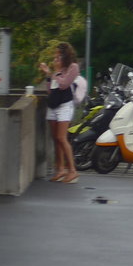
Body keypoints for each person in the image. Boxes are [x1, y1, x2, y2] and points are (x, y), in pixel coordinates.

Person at [40, 42, 80, 183]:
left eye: (58, 56)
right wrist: (48, 76)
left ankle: (73, 170)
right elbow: (51, 89)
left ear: (65, 55)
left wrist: (55, 72)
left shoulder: (73, 67)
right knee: (55, 138)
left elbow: (64, 85)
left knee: (62, 138)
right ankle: (60, 169)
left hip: (64, 105)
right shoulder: (57, 68)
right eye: (55, 56)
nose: (55, 59)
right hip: (53, 105)